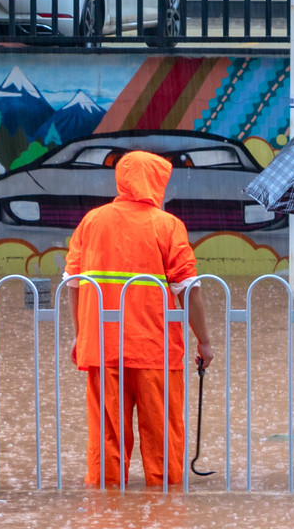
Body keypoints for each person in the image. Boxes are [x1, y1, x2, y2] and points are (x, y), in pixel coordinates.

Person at [64, 150, 214, 489]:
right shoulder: (167, 225)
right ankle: (163, 511)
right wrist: (203, 341)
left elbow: (73, 283)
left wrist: (79, 335)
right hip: (154, 352)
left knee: (106, 436)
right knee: (161, 437)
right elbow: (189, 289)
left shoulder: (92, 221)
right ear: (156, 181)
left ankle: (106, 510)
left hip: (103, 349)